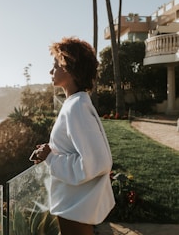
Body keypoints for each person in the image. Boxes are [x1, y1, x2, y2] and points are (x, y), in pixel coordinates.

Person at [32, 37, 115, 235]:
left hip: (75, 206)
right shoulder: (75, 104)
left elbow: (97, 162)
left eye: (55, 65)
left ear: (68, 68)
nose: (51, 71)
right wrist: (50, 151)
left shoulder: (77, 107)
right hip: (73, 203)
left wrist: (51, 158)